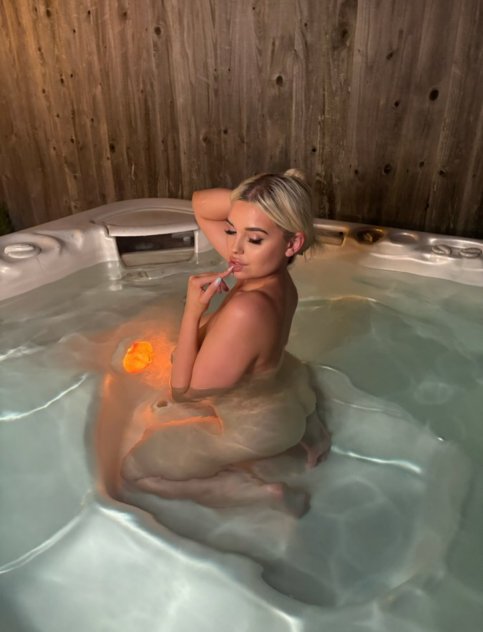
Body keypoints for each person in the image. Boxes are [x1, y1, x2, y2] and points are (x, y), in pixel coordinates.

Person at [121, 170, 330, 515]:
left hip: (257, 429)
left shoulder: (246, 310)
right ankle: (311, 427)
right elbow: (201, 206)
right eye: (232, 230)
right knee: (278, 365)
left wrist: (192, 311)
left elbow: (184, 393)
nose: (235, 249)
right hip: (286, 395)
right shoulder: (270, 274)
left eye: (254, 238)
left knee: (133, 473)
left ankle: (254, 494)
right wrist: (257, 197)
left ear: (292, 244)